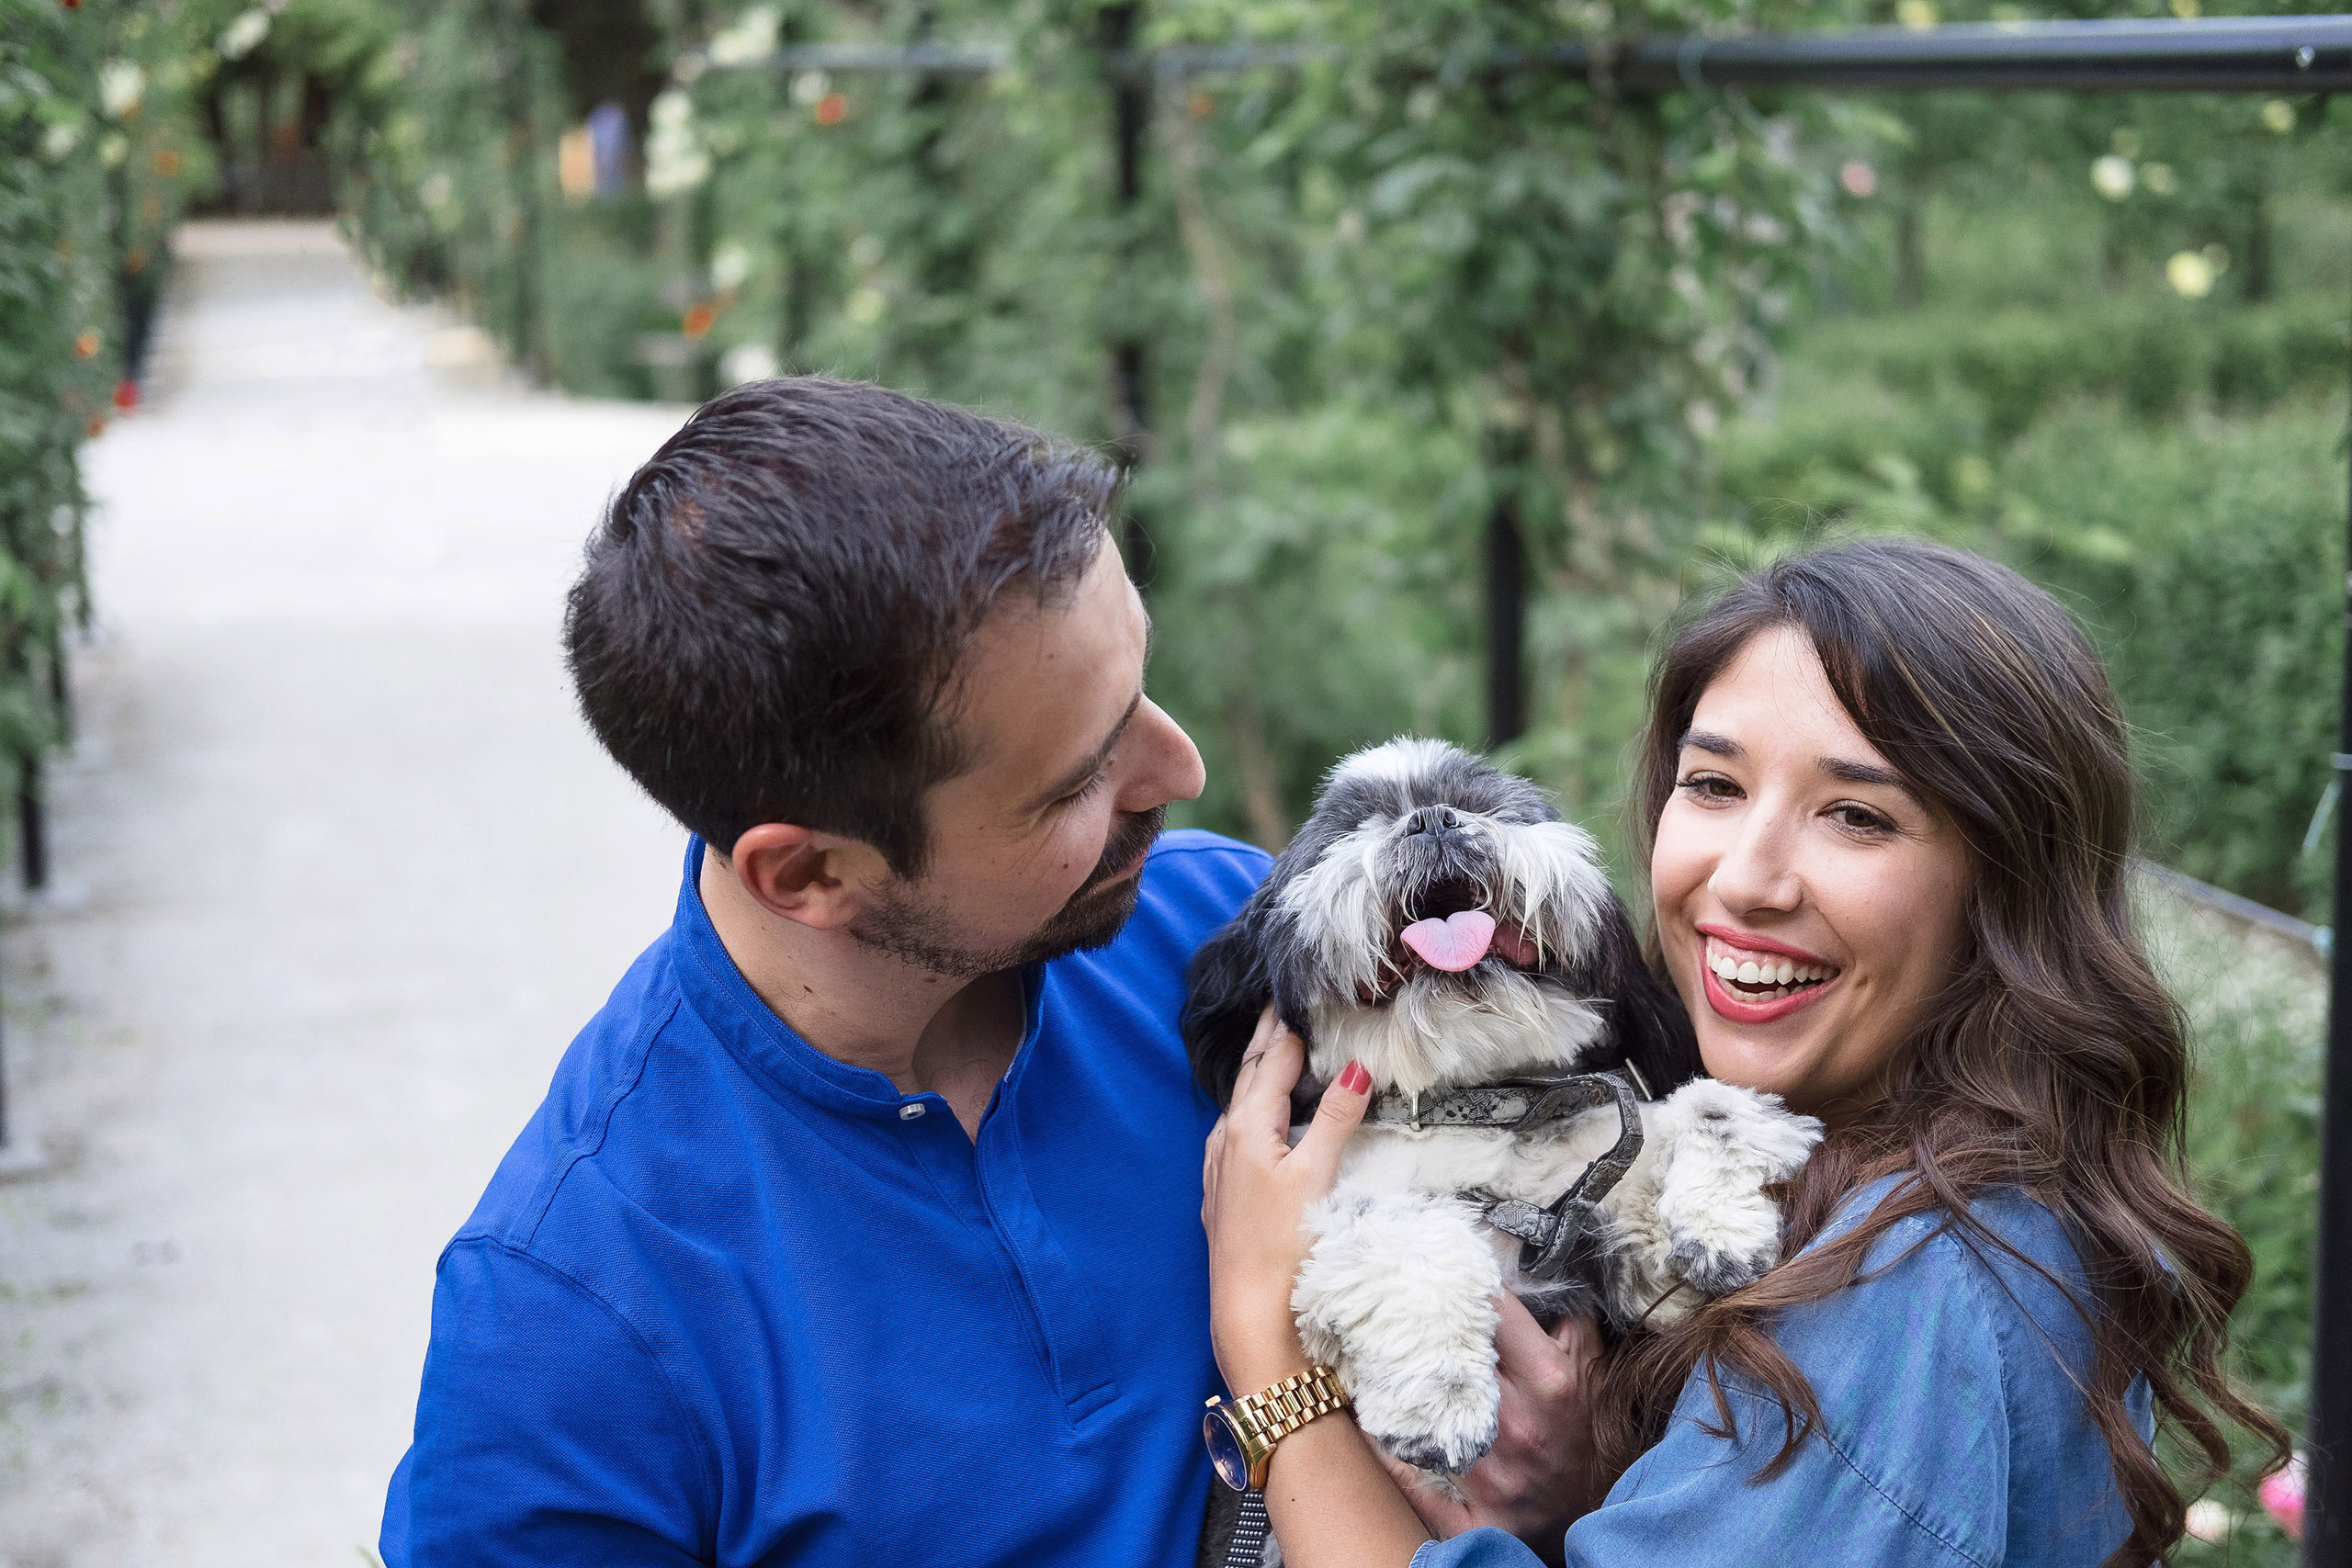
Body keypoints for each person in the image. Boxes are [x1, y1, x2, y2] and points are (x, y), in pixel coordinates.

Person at [379, 378, 1585, 1565]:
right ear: (806, 873)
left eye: (1139, 687)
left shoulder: (1233, 936)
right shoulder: (572, 1321)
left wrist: (1583, 1450)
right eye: (1076, 780)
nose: (1183, 769)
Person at [1202, 537, 2289, 1568]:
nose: (1747, 879)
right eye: (1714, 786)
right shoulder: (1817, 1167)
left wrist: (1266, 1347)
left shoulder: (1922, 1276)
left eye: (1858, 816)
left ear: (2005, 886)